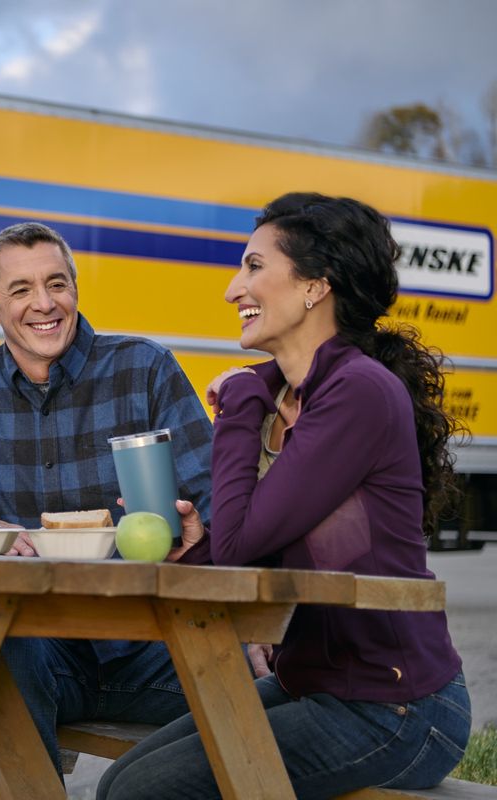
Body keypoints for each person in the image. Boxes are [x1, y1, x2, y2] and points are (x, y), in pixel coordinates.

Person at [97, 193, 472, 800]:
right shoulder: (286, 398)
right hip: (315, 682)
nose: (231, 290)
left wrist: (242, 399)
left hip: (395, 708)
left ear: (314, 287)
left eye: (253, 267)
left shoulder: (357, 393)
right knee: (119, 781)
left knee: (141, 792)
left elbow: (244, 548)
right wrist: (194, 548)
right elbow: (267, 551)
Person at [0, 221, 214, 799]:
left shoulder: (145, 369)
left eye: (56, 284)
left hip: (154, 652)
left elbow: (216, 496)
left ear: (75, 290)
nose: (44, 304)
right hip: (37, 658)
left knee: (271, 702)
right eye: (20, 290)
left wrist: (196, 521)